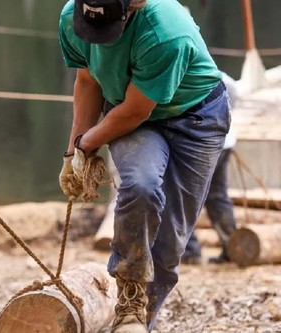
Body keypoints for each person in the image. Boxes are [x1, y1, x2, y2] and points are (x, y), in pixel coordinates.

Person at [57, 0, 230, 332]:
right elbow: (88, 82)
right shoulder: (70, 17)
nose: (97, 39)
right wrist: (73, 155)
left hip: (195, 118)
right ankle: (130, 298)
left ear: (131, 8)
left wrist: (87, 144)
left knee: (170, 239)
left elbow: (137, 110)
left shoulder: (165, 32)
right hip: (131, 112)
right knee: (140, 186)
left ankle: (138, 321)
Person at [182, 73, 239, 265]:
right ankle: (232, 248)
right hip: (225, 141)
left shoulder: (189, 75)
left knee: (184, 196)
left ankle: (189, 251)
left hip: (202, 143)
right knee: (217, 196)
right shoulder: (225, 78)